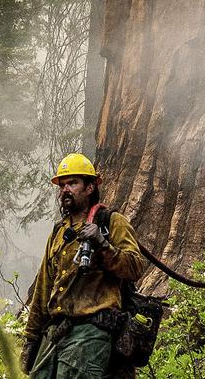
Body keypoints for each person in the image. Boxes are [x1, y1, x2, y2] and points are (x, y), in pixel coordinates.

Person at [21, 153, 144, 378]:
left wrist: (103, 245)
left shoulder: (111, 222)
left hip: (91, 332)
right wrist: (31, 338)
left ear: (89, 187)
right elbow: (43, 287)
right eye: (62, 185)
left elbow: (135, 266)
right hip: (54, 333)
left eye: (73, 183)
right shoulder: (59, 231)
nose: (65, 189)